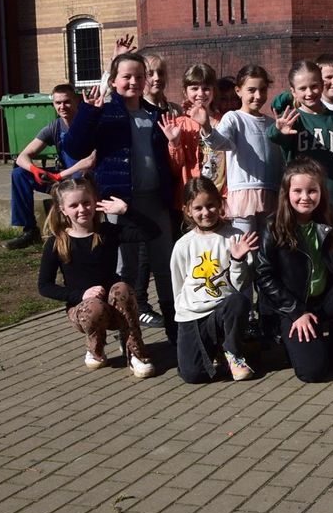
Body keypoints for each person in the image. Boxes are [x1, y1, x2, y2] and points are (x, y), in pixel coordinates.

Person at [63, 52, 178, 342]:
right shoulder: (104, 114)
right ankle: (126, 332)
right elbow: (75, 148)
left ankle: (177, 331)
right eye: (127, 76)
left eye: (140, 76)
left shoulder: (155, 115)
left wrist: (173, 142)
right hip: (118, 203)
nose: (135, 82)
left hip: (155, 201)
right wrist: (88, 112)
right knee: (123, 270)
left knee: (165, 266)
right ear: (113, 81)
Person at [254, 159, 333, 382]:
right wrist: (296, 312)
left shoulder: (330, 217)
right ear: (286, 193)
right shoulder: (273, 226)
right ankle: (296, 345)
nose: (305, 197)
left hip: (325, 299)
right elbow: (264, 276)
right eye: (298, 191)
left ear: (321, 192)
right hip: (294, 307)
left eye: (312, 191)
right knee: (312, 372)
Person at [37, 176, 156, 378]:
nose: (82, 209)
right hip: (83, 310)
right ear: (62, 210)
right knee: (93, 306)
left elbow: (152, 232)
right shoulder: (57, 243)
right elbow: (44, 286)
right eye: (74, 205)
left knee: (123, 289)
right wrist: (80, 294)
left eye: (86, 202)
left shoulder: (107, 232)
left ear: (95, 203)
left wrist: (127, 211)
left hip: (114, 307)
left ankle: (135, 351)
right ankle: (95, 346)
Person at [171, 177, 259, 383]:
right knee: (193, 375)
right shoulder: (183, 245)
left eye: (210, 205)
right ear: (187, 210)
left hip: (223, 309)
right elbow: (178, 284)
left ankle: (232, 352)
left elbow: (240, 287)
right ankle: (214, 351)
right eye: (198, 208)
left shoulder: (235, 237)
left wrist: (238, 260)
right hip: (192, 316)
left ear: (220, 203)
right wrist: (182, 311)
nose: (205, 212)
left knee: (238, 302)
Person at [194, 65, 285, 236]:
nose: (258, 96)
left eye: (262, 90)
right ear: (238, 90)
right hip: (244, 193)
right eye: (251, 90)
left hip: (271, 192)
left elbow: (279, 161)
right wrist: (206, 126)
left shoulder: (271, 123)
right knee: (245, 247)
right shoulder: (233, 117)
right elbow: (219, 142)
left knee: (268, 247)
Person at [4, 84, 96, 249]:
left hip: (87, 179)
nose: (62, 107)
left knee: (83, 175)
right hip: (63, 179)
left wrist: (60, 176)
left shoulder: (89, 123)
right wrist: (34, 169)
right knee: (19, 174)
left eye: (66, 102)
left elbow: (90, 161)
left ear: (77, 101)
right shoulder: (54, 127)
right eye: (57, 103)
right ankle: (29, 231)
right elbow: (22, 157)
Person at [268, 60, 333, 208]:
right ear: (293, 92)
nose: (309, 93)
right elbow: (273, 135)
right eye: (302, 88)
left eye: (314, 86)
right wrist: (279, 130)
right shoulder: (294, 120)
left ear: (322, 85)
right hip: (303, 203)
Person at [161, 62, 226, 207]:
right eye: (194, 88)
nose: (201, 94)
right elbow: (175, 169)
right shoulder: (179, 124)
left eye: (206, 88)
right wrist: (174, 143)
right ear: (185, 92)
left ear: (213, 91)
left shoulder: (225, 122)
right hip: (191, 200)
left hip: (220, 198)